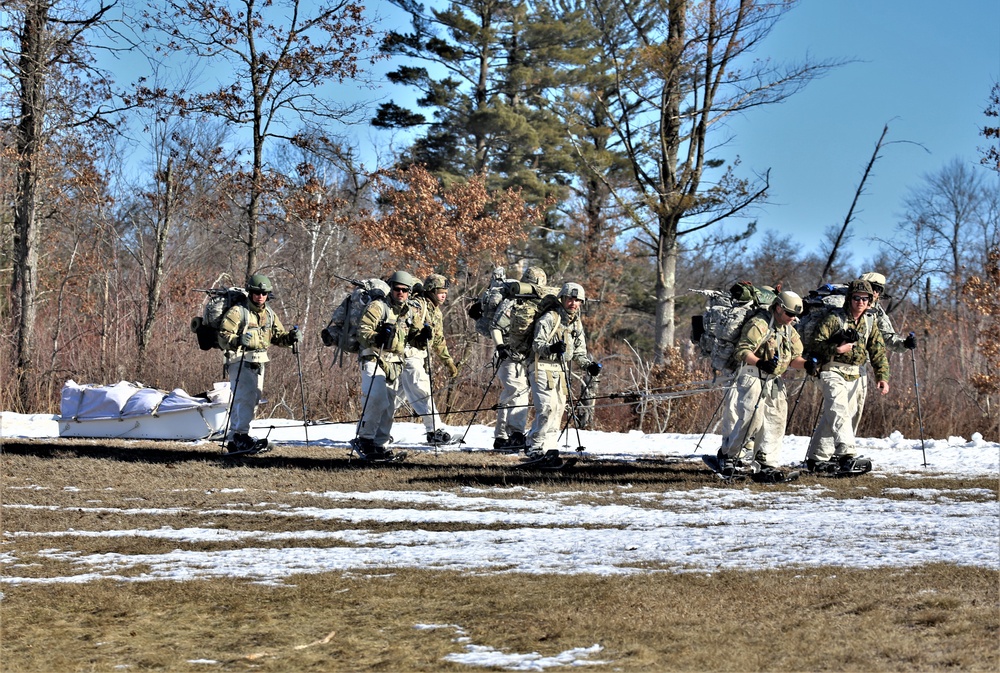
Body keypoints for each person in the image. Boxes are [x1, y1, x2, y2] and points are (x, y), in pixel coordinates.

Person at [804, 279, 890, 473]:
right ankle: (847, 455)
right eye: (856, 298)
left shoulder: (869, 321)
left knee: (836, 415)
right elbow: (815, 344)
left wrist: (882, 377)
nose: (860, 302)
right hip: (831, 369)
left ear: (869, 302)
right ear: (849, 299)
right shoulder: (834, 318)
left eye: (865, 299)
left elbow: (877, 350)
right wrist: (837, 349)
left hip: (855, 373)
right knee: (838, 409)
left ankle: (816, 459)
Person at [719, 291, 806, 478]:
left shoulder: (789, 329)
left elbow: (794, 359)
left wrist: (809, 365)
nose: (793, 318)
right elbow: (741, 351)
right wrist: (759, 362)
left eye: (795, 315)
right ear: (778, 308)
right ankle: (729, 456)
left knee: (776, 419)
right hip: (752, 374)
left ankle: (767, 463)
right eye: (790, 314)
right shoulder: (759, 324)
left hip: (774, 380)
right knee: (752, 418)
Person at [217, 274, 300, 454]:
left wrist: (291, 338)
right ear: (250, 292)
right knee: (244, 399)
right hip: (240, 360)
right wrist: (238, 339)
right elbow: (223, 336)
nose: (260, 296)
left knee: (251, 399)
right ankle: (240, 436)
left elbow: (278, 337)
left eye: (264, 293)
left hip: (259, 361)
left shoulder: (269, 314)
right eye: (256, 292)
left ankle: (235, 438)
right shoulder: (238, 312)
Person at [526, 282, 601, 458]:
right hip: (541, 366)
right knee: (546, 407)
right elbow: (537, 345)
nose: (573, 303)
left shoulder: (576, 323)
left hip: (560, 369)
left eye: (577, 300)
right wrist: (552, 348)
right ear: (563, 298)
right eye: (570, 299)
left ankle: (549, 447)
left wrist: (588, 366)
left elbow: (579, 352)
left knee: (559, 408)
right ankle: (534, 445)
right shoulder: (550, 317)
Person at [352, 270, 419, 460]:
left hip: (394, 362)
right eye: (397, 289)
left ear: (409, 292)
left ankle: (379, 444)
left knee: (389, 406)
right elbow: (363, 332)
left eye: (405, 290)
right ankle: (364, 439)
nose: (401, 293)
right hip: (373, 357)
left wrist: (422, 337)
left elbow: (413, 336)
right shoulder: (378, 307)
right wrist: (377, 337)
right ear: (391, 289)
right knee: (376, 398)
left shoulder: (409, 312)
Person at [489, 266, 547, 451]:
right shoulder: (513, 302)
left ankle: (501, 437)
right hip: (509, 355)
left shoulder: (541, 304)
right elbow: (495, 326)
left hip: (528, 358)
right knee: (518, 391)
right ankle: (515, 434)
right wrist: (500, 347)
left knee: (511, 395)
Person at [397, 273, 459, 444]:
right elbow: (403, 327)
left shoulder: (436, 312)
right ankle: (435, 430)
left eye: (445, 291)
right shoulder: (417, 305)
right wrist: (419, 334)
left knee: (394, 397)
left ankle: (372, 429)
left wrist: (448, 362)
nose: (444, 295)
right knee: (422, 389)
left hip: (418, 356)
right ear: (431, 291)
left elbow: (438, 339)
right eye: (440, 291)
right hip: (409, 354)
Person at [859, 271, 918, 353]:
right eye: (873, 288)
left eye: (879, 289)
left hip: (859, 360)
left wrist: (905, 344)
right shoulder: (842, 303)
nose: (875, 293)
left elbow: (887, 337)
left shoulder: (876, 310)